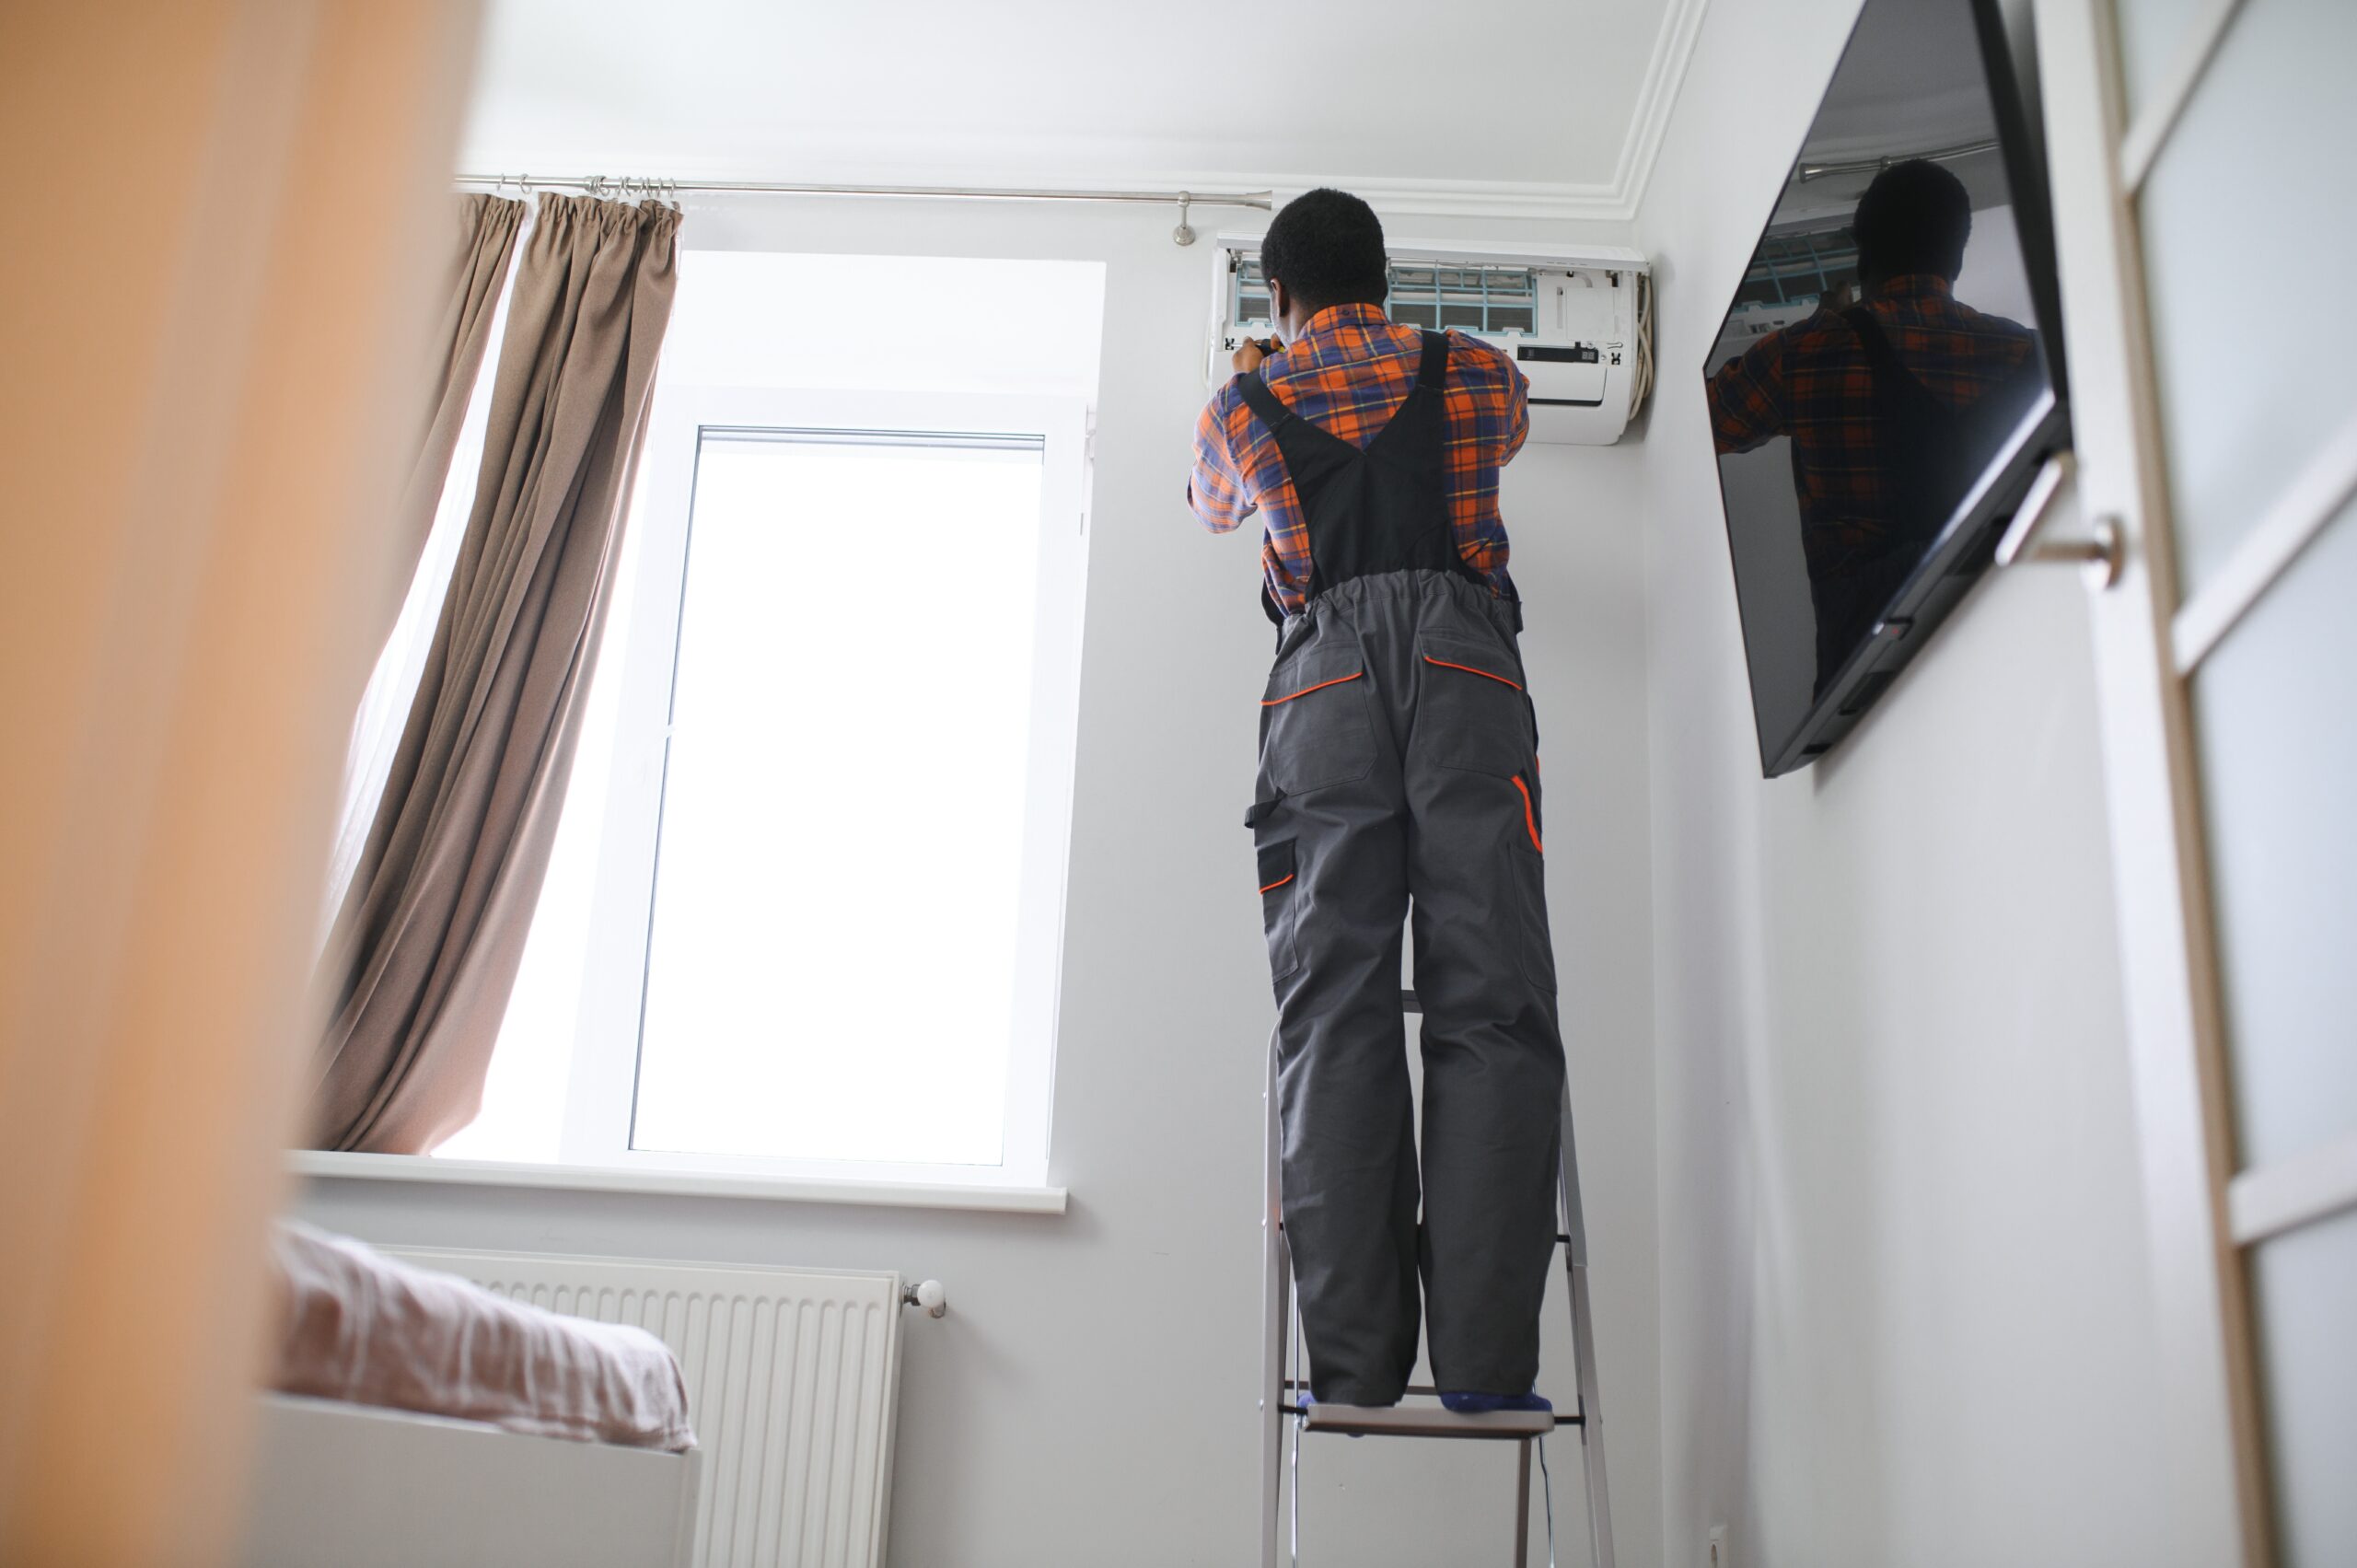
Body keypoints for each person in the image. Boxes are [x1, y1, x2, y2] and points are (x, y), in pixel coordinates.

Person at [1188, 188, 1562, 1414]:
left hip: (1324, 683)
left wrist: (1261, 366)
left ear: (1281, 297)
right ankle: (1488, 1366)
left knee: (1335, 1004)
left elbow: (1211, 501)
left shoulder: (1244, 405)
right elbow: (1499, 432)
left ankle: (1350, 1370)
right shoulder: (1475, 373)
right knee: (1491, 999)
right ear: (1386, 280)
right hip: (1466, 665)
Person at [1708, 158, 2040, 691]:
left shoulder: (1808, 353)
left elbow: (1704, 425)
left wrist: (1822, 324)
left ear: (1864, 254)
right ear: (1956, 254)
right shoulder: (2034, 356)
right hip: (2015, 638)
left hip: (1867, 676)